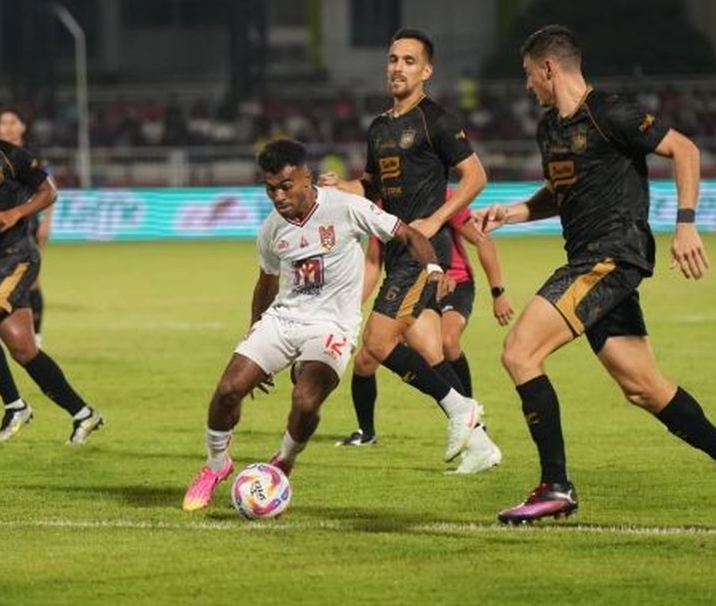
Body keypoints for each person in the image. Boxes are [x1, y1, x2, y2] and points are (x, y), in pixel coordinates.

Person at [480, 25, 716, 529]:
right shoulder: (550, 129)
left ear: (549, 68)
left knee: (519, 352)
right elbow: (560, 192)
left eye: (528, 75)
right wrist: (514, 212)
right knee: (643, 387)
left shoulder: (611, 112)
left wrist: (686, 225)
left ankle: (555, 485)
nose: (527, 86)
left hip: (610, 257)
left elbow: (686, 150)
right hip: (592, 262)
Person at [182, 138, 453, 511]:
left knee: (305, 400)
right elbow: (266, 283)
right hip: (284, 319)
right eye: (270, 189)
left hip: (333, 326)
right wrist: (253, 335)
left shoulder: (346, 207)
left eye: (285, 186)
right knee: (229, 389)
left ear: (306, 177)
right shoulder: (271, 229)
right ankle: (216, 466)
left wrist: (434, 268)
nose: (278, 196)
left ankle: (284, 461)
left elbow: (408, 233)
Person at [320, 27, 496, 466]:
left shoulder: (436, 120)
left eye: (409, 61)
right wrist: (341, 186)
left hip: (424, 251)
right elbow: (373, 185)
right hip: (398, 250)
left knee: (377, 344)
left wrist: (436, 219)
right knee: (424, 352)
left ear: (426, 71)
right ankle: (481, 445)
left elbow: (476, 177)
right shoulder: (379, 127)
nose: (398, 67)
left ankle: (462, 410)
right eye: (394, 59)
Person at [0, 85, 104, 445]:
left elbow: (49, 192)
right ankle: (83, 414)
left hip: (18, 258)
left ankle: (15, 406)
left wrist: (16, 213)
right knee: (24, 349)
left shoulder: (11, 156)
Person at [338, 189, 515, 476]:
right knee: (377, 357)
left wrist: (498, 291)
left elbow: (480, 235)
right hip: (410, 283)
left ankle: (469, 418)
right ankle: (476, 438)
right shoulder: (380, 207)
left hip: (449, 281)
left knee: (440, 343)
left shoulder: (439, 196)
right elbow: (373, 262)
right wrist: (350, 307)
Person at [0, 108, 53, 344]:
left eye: (13, 122)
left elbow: (49, 189)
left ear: (22, 127)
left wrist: (47, 221)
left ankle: (35, 333)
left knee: (31, 278)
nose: (8, 127)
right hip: (1, 223)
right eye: (4, 123)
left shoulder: (32, 156)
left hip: (28, 222)